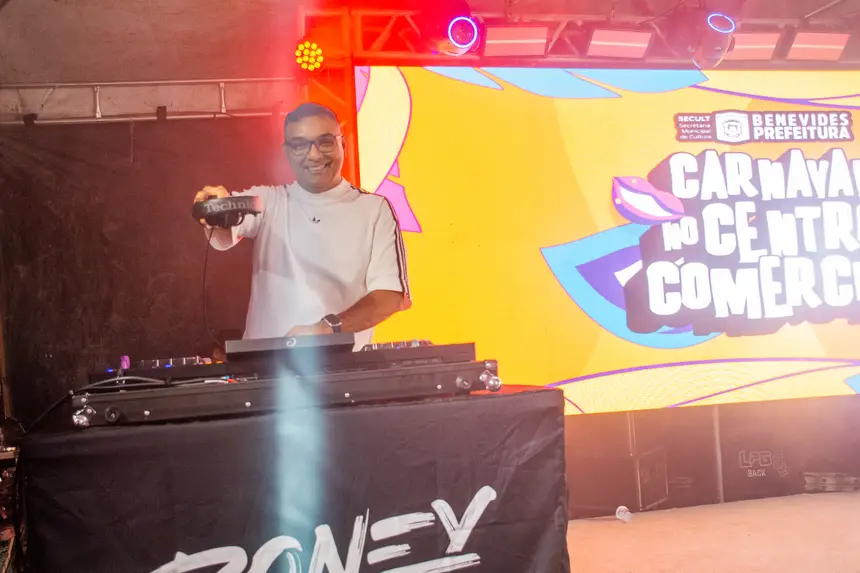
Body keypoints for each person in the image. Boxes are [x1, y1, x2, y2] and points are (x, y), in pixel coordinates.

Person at [193, 102, 410, 350]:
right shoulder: (269, 200)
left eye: (325, 142)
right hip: (265, 366)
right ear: (286, 152)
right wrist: (215, 204)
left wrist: (327, 328)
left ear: (343, 144)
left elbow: (390, 295)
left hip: (343, 366)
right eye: (299, 145)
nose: (314, 155)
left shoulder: (374, 209)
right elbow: (228, 220)